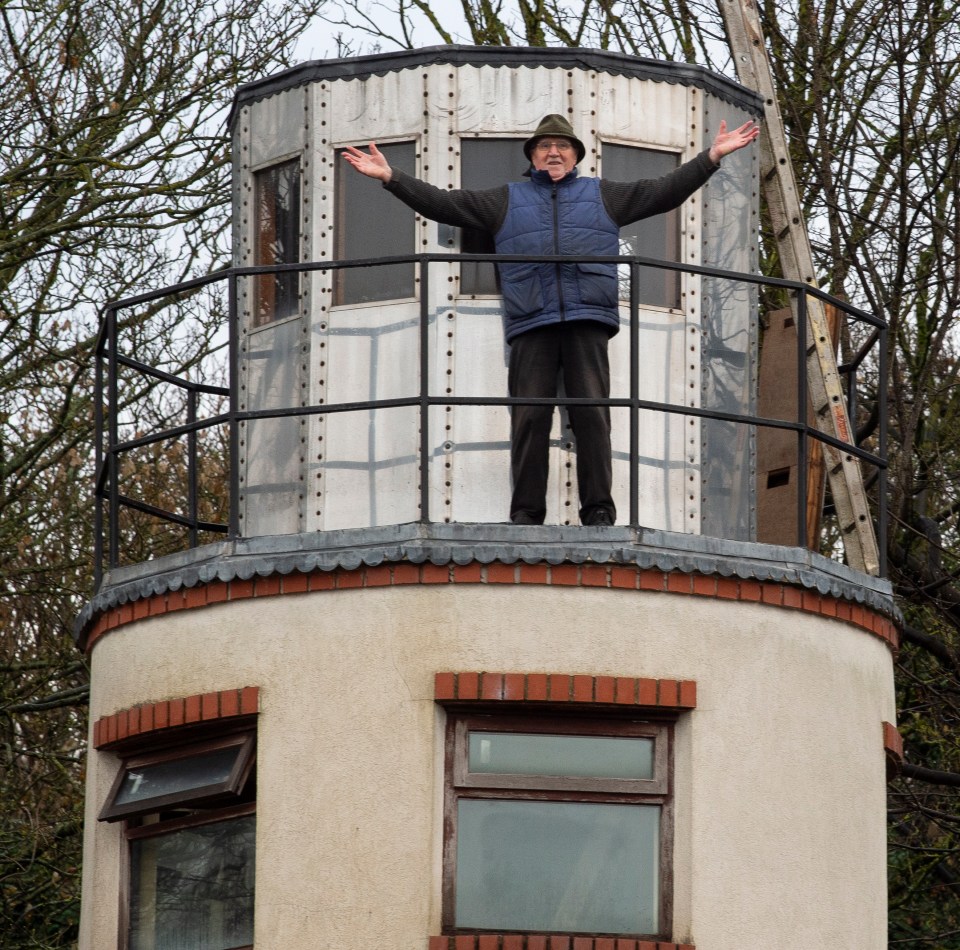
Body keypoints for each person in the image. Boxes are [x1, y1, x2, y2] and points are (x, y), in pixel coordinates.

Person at [344, 113, 759, 526]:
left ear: (576, 155)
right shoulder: (505, 199)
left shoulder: (604, 196)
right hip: (531, 321)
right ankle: (526, 513)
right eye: (545, 146)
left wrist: (710, 157)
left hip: (587, 319)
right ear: (533, 157)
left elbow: (664, 191)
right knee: (529, 418)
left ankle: (598, 510)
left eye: (562, 146)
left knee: (593, 417)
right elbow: (444, 203)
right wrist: (391, 177)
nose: (554, 152)